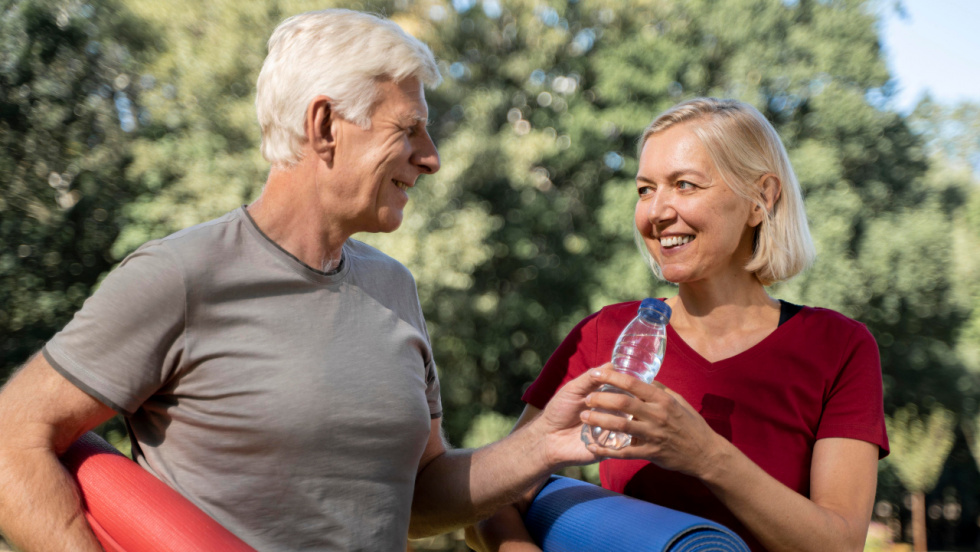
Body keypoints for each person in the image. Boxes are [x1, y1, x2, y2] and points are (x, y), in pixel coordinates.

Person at [0, 10, 606, 552]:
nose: (431, 156)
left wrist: (545, 443)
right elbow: (11, 439)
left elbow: (417, 498)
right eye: (408, 128)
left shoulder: (393, 287)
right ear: (325, 125)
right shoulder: (181, 275)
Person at [468, 98, 889, 552]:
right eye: (645, 189)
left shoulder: (839, 347)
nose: (656, 212)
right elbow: (491, 498)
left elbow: (841, 545)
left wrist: (708, 457)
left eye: (685, 185)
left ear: (761, 198)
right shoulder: (603, 334)